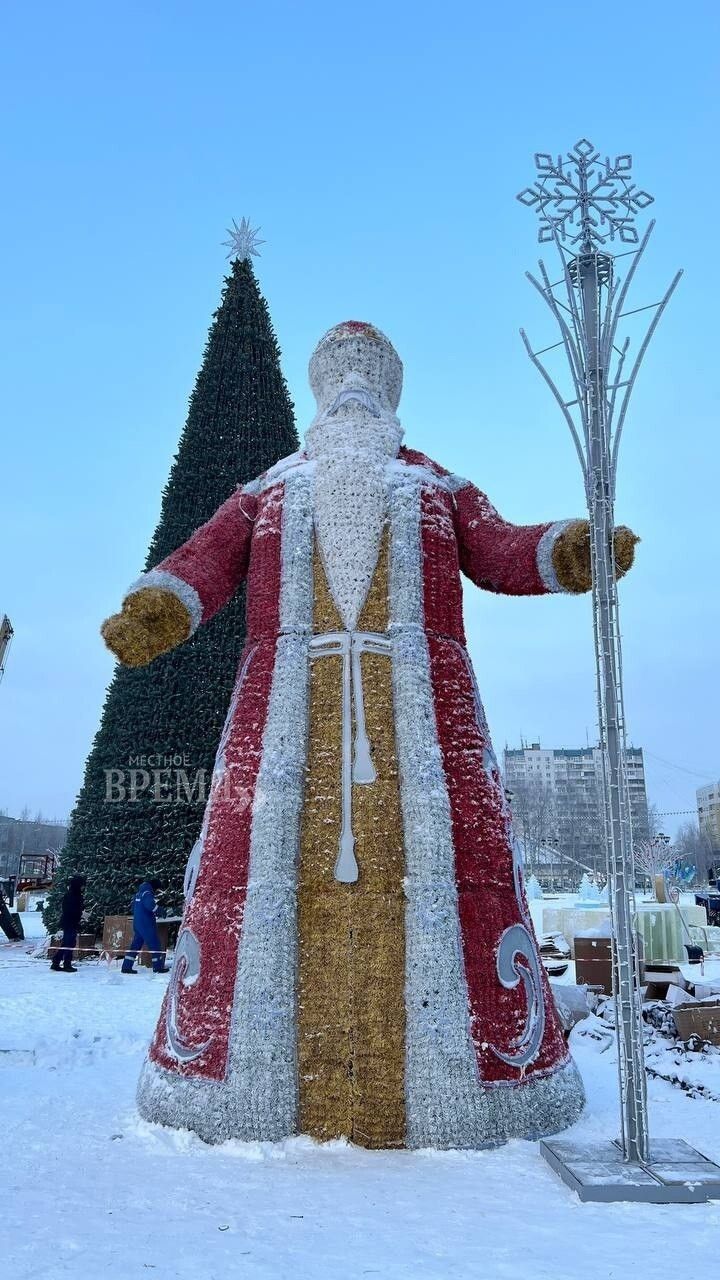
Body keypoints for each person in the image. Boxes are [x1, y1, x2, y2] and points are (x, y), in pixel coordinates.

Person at [101, 321, 637, 1149]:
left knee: (448, 874)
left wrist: (569, 550)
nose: (354, 389)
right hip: (283, 720)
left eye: (369, 376)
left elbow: (500, 549)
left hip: (424, 723)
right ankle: (240, 1086)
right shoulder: (271, 488)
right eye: (341, 375)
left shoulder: (436, 483)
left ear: (389, 394)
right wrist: (157, 608)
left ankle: (469, 1085)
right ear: (322, 392)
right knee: (262, 873)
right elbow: (205, 558)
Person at [121, 879, 169, 974]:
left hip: (137, 923)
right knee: (155, 944)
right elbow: (150, 905)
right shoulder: (147, 893)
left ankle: (126, 967)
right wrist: (160, 911)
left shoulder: (138, 893)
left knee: (135, 945)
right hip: (146, 924)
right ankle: (158, 967)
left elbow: (133, 907)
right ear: (154, 887)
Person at [50, 874, 86, 972]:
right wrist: (79, 917)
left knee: (66, 943)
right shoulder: (74, 896)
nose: (83, 888)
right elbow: (73, 910)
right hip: (71, 922)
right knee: (69, 943)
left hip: (69, 922)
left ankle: (56, 961)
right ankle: (67, 964)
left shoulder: (71, 895)